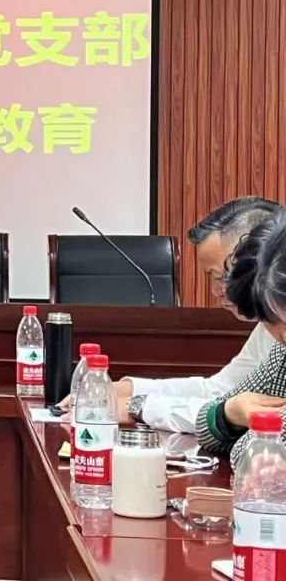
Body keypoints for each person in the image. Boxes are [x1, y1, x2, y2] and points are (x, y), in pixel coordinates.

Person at [63, 196, 282, 431]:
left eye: (221, 276)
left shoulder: (278, 327)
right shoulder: (268, 327)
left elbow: (232, 408)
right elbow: (221, 393)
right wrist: (130, 390)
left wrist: (138, 406)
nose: (215, 291)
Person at [195, 211, 286, 461]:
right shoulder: (281, 356)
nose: (283, 334)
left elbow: (254, 455)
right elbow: (205, 424)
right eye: (271, 320)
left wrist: (253, 434)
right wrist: (229, 413)